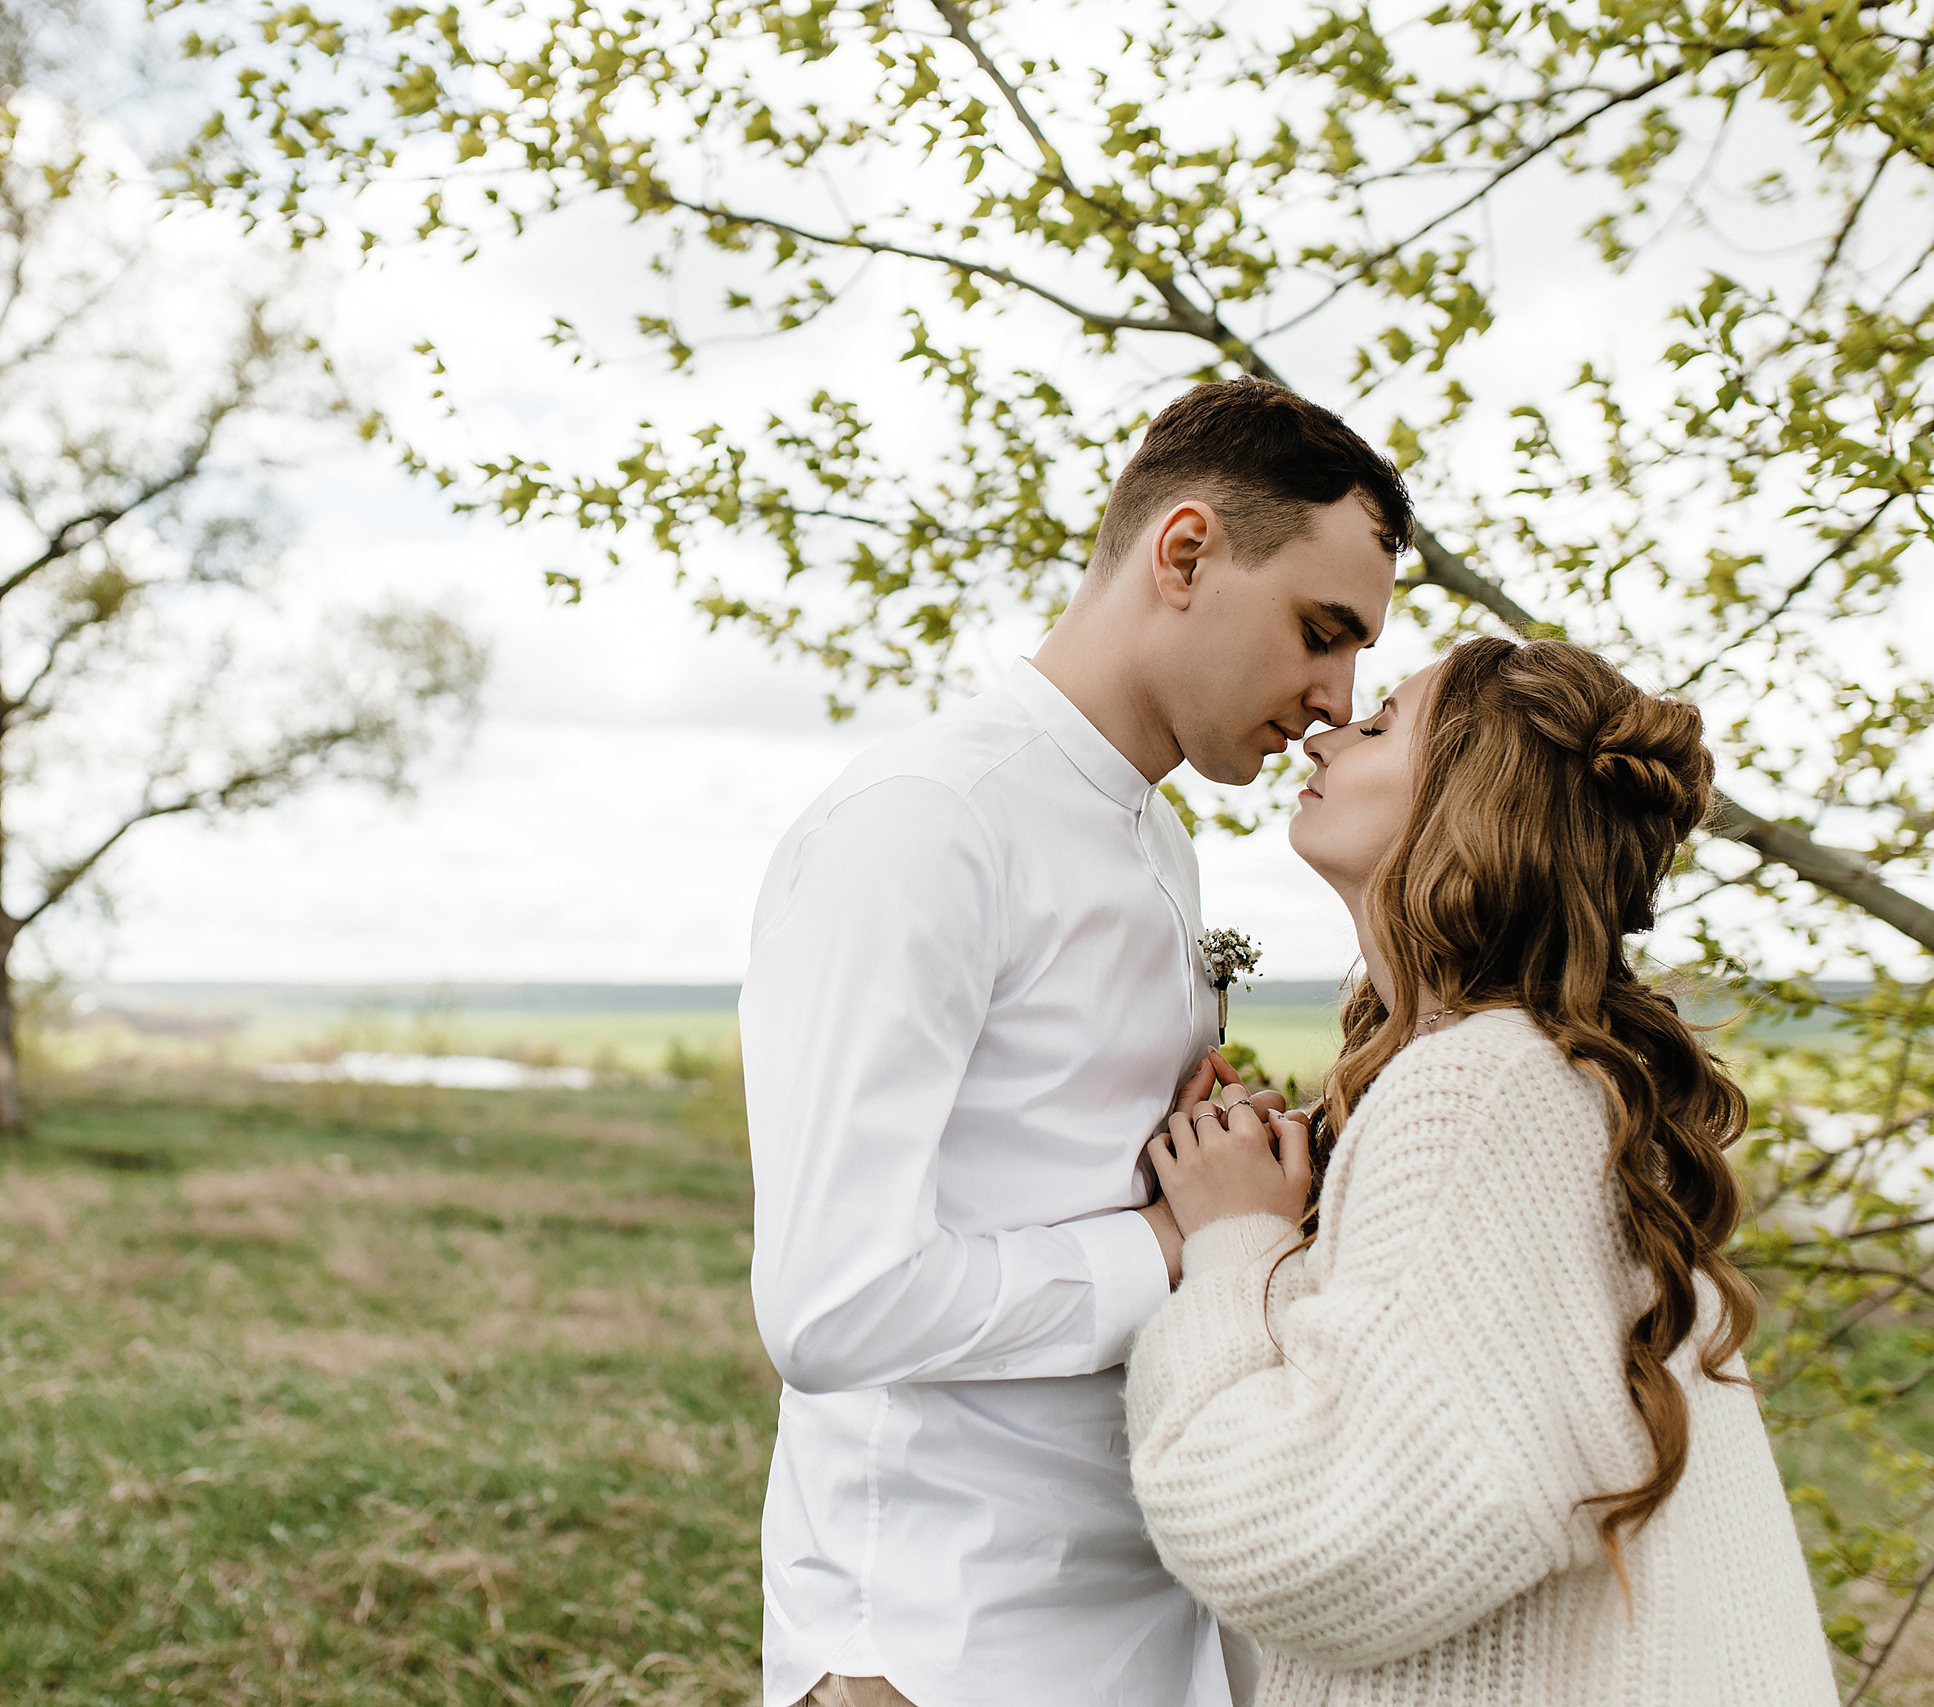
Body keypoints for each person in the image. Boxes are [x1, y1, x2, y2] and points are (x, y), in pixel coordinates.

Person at [739, 377, 1411, 1707]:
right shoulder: (929, 820)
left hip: (1136, 1620)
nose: (1337, 699)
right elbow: (831, 1304)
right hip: (944, 1637)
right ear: (1185, 552)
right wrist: (1173, 1243)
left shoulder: (1155, 836)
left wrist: (1220, 1162)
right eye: (1321, 632)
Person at [1125, 636, 1841, 1706]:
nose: (1326, 728)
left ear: (1471, 798)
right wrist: (1281, 1224)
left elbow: (1310, 1540)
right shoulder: (1525, 1077)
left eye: (1377, 728)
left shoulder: (1482, 1090)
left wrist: (1235, 1243)